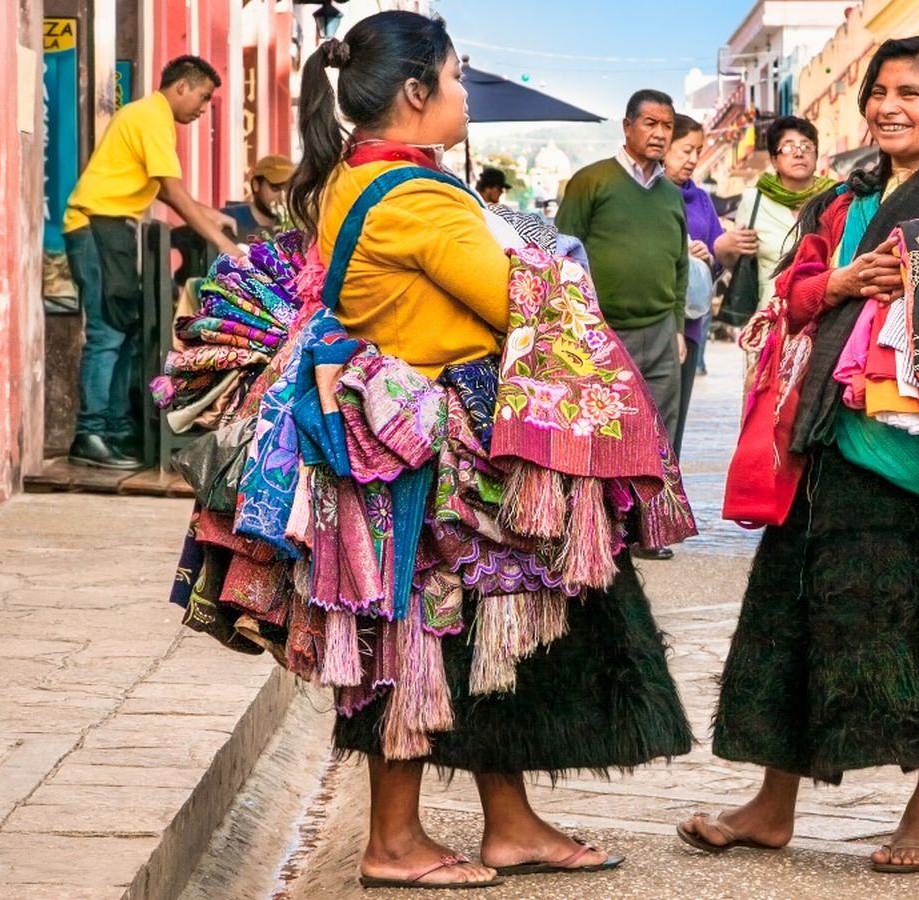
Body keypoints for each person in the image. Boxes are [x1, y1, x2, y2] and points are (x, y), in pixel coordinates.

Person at [286, 13, 691, 888]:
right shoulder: (416, 197)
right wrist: (548, 251)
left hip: (405, 445)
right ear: (415, 92)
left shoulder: (359, 181)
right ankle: (392, 842)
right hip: (438, 454)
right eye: (458, 78)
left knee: (468, 638)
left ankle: (510, 823)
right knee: (423, 640)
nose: (467, 95)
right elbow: (522, 302)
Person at [677, 36, 919, 876]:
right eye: (879, 91)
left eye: (910, 92)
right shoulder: (843, 204)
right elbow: (791, 296)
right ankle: (772, 806)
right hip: (837, 444)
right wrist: (840, 286)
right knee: (795, 617)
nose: (888, 107)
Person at [64, 55, 244, 470]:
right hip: (95, 226)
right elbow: (173, 190)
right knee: (107, 334)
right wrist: (221, 241)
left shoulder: (151, 118)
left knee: (124, 331)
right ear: (181, 86)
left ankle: (112, 429)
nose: (202, 109)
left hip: (114, 227)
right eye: (202, 98)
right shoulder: (150, 116)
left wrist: (207, 212)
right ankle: (89, 434)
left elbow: (164, 191)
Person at [557, 89, 689, 561]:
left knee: (662, 431)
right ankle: (601, 530)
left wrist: (676, 326)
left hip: (658, 330)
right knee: (605, 429)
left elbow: (678, 265)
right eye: (650, 123)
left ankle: (648, 531)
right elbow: (563, 253)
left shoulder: (673, 195)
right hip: (603, 330)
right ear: (628, 126)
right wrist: (577, 323)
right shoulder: (591, 181)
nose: (658, 134)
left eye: (666, 126)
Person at [663, 115, 740, 457]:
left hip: (691, 322)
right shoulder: (646, 194)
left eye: (698, 150)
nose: (693, 159)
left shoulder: (701, 200)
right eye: (685, 150)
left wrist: (710, 253)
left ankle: (669, 501)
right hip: (649, 321)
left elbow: (716, 258)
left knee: (675, 420)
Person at [727, 116, 837, 323]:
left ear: (816, 156)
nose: (798, 153)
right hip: (770, 317)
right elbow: (739, 259)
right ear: (774, 160)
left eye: (806, 146)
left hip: (823, 316)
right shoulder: (754, 200)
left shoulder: (835, 197)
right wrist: (724, 248)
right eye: (787, 147)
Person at [220, 154, 294, 240]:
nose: (283, 197)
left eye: (288, 189)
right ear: (256, 185)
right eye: (275, 188)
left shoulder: (294, 228)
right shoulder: (228, 219)